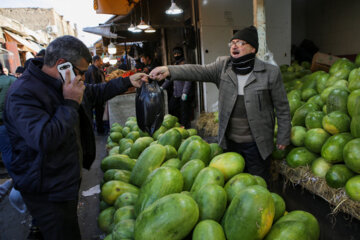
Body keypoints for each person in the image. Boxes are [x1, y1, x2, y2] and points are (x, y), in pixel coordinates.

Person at [4, 35, 147, 240]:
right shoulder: (24, 93)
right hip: (47, 190)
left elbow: (94, 92)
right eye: (80, 72)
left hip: (64, 180)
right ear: (62, 65)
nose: (82, 78)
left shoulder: (61, 83)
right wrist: (70, 102)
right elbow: (44, 139)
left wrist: (126, 82)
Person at [150, 26, 291, 182]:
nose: (235, 46)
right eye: (233, 42)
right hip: (230, 142)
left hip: (257, 144)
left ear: (253, 49)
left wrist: (283, 136)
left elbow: (282, 108)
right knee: (233, 182)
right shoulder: (222, 66)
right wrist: (169, 70)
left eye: (241, 43)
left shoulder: (270, 72)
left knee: (259, 181)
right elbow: (198, 71)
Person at [161, 47, 194, 128]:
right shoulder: (175, 65)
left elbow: (188, 79)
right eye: (175, 54)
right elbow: (170, 79)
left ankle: (185, 127)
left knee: (184, 111)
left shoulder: (185, 65)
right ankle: (178, 124)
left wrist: (185, 92)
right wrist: (162, 87)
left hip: (184, 93)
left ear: (182, 54)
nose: (176, 55)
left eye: (178, 54)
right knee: (172, 107)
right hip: (176, 93)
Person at [85, 55, 106, 134]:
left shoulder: (94, 69)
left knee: (97, 113)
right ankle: (100, 130)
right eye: (100, 61)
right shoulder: (92, 70)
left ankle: (98, 129)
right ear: (96, 61)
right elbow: (94, 83)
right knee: (98, 113)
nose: (101, 63)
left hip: (93, 95)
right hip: (95, 95)